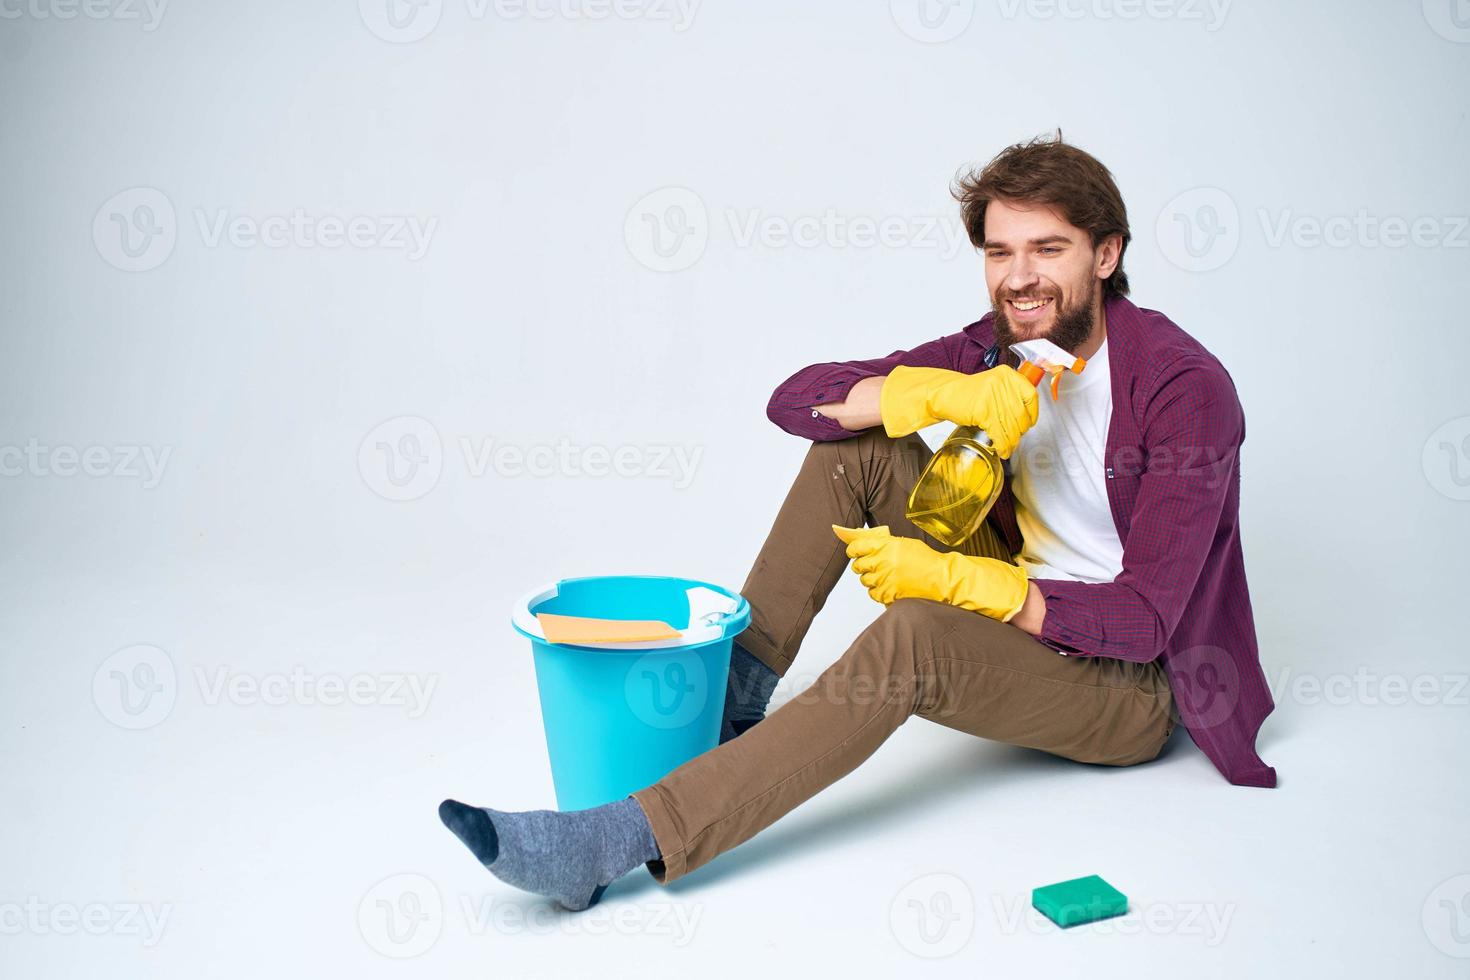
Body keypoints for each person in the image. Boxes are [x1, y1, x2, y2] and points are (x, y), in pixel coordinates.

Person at [438, 133, 1277, 912]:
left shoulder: (1182, 391)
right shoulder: (1000, 349)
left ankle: (621, 839)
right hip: (1024, 618)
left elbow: (1144, 623)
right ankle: (729, 719)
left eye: (1048, 249)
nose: (1020, 277)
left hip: (1128, 688)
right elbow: (798, 402)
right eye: (999, 252)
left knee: (913, 633)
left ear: (1106, 254)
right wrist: (935, 391)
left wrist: (966, 584)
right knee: (855, 450)